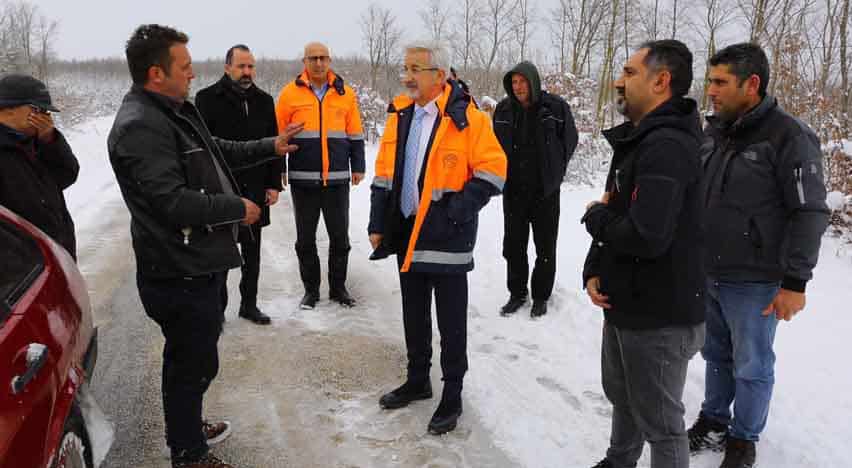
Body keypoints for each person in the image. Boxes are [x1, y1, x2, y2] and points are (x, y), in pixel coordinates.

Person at [108, 24, 300, 468]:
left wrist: (270, 145)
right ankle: (189, 453)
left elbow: (218, 151)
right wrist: (236, 208)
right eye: (185, 66)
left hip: (198, 262)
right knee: (190, 363)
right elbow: (171, 202)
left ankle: (186, 427)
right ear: (157, 73)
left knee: (195, 359)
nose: (193, 73)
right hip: (177, 267)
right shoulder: (140, 127)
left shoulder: (174, 112)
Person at [687, 43, 829, 468]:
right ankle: (714, 420)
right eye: (710, 81)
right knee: (715, 354)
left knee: (751, 364)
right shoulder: (715, 131)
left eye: (720, 82)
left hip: (756, 280)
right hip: (709, 270)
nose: (711, 90)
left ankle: (743, 439)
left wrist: (795, 282)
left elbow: (810, 211)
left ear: (752, 84)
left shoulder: (790, 136)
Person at [368, 43, 507, 435]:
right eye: (405, 68)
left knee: (451, 323)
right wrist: (378, 222)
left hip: (447, 237)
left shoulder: (468, 118)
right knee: (413, 313)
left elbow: (494, 171)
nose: (407, 76)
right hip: (406, 233)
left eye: (416, 69)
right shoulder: (400, 115)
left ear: (440, 75)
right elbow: (384, 173)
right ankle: (418, 379)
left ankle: (453, 393)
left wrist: (454, 212)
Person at [582, 40, 706, 468]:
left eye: (630, 72)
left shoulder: (667, 146)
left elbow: (646, 235)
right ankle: (619, 461)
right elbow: (616, 206)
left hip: (660, 314)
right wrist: (593, 268)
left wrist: (594, 218)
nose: (619, 81)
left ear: (661, 81)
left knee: (662, 424)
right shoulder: (640, 139)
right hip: (627, 301)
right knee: (625, 397)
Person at [195, 44, 282, 325]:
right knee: (220, 255)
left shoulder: (264, 101)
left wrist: (274, 184)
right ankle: (216, 309)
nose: (247, 72)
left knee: (252, 254)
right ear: (227, 67)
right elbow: (201, 149)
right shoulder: (207, 99)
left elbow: (274, 143)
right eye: (241, 66)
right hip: (222, 191)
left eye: (251, 66)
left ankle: (249, 305)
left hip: (255, 187)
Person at [275, 41, 365, 309]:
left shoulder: (345, 94)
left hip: (337, 179)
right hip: (303, 180)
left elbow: (355, 133)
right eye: (313, 58)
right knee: (305, 240)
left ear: (329, 61)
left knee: (340, 239)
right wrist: (280, 168)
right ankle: (311, 291)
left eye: (323, 58)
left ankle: (338, 289)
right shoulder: (289, 94)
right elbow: (278, 137)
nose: (318, 63)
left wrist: (358, 166)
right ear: (304, 61)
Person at [493, 61, 578, 318]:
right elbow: (493, 146)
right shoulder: (503, 110)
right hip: (514, 192)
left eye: (523, 82)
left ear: (533, 82)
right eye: (514, 82)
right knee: (514, 246)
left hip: (545, 192)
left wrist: (555, 171)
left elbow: (570, 140)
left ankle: (541, 296)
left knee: (545, 248)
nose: (518, 87)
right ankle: (517, 293)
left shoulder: (555, 107)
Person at [0, 74, 78, 259]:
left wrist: (50, 140)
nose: (44, 117)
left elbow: (67, 175)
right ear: (8, 109)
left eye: (46, 112)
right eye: (37, 109)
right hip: (26, 268)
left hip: (58, 257)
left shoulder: (34, 141)